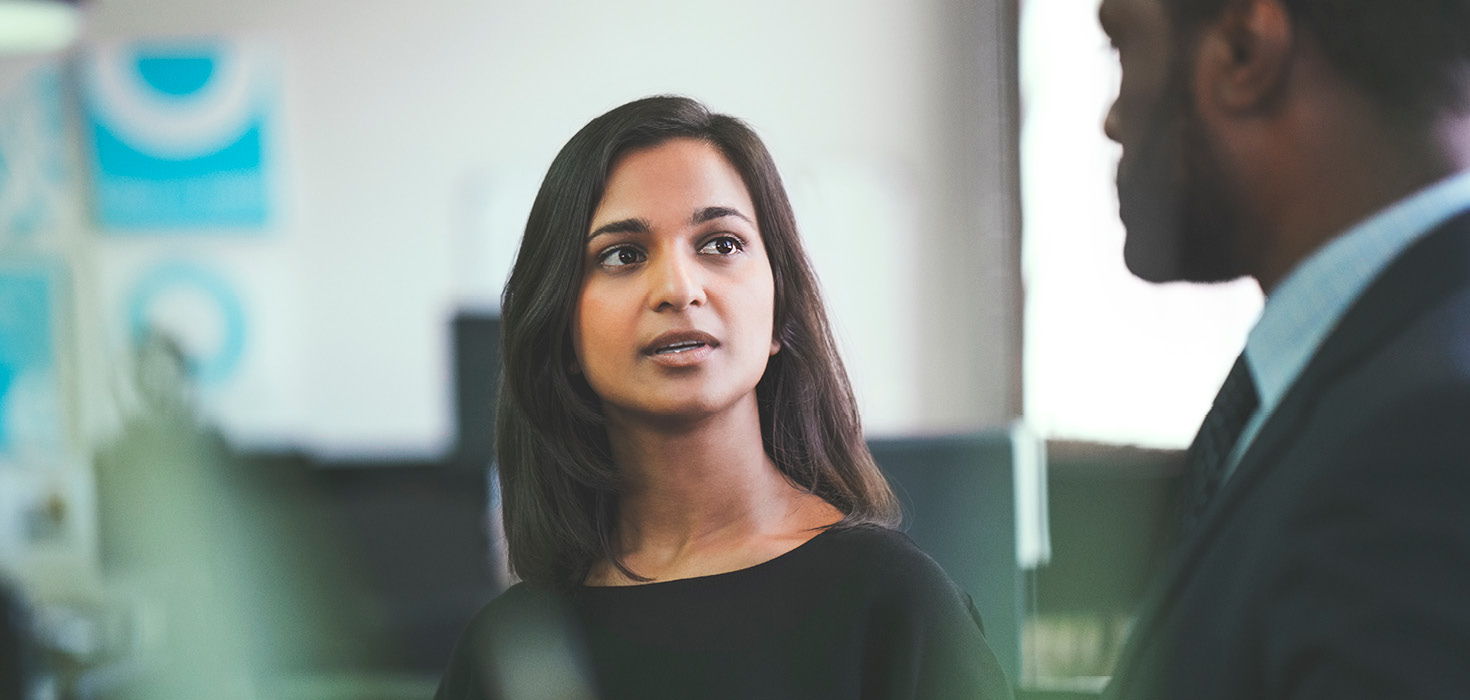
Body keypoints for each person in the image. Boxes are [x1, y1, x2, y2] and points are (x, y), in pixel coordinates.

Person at [434, 96, 1012, 700]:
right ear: (562, 330)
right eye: (623, 255)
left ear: (780, 311)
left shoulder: (894, 602)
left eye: (720, 244)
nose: (679, 288)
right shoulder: (507, 647)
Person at [1099, 0, 1470, 697]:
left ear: (1244, 51)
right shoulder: (1368, 376)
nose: (1112, 119)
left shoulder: (1428, 438)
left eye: (1121, 47)